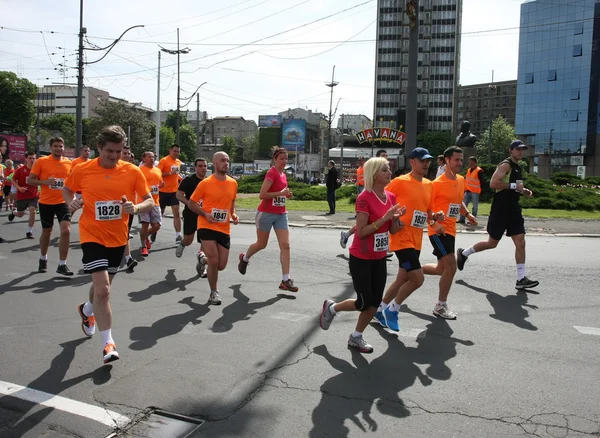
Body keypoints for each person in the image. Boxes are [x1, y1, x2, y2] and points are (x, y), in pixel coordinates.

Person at [64, 125, 153, 364]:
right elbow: (66, 188)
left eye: (118, 151)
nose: (114, 156)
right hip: (92, 235)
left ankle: (87, 310)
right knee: (103, 290)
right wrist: (72, 203)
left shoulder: (132, 171)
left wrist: (134, 208)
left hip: (117, 238)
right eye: (109, 152)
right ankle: (108, 344)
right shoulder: (83, 169)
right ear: (98, 149)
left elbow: (149, 200)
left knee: (102, 289)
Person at [319, 157, 402, 353]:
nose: (389, 173)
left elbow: (394, 231)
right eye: (385, 170)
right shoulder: (364, 198)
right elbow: (362, 231)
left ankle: (356, 337)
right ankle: (332, 308)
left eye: (389, 169)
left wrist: (397, 220)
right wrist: (385, 218)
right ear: (374, 175)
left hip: (379, 257)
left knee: (374, 303)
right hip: (361, 257)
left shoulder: (390, 197)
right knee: (363, 302)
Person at [375, 147, 444, 331]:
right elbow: (382, 198)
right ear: (412, 162)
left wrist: (435, 219)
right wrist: (389, 218)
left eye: (428, 161)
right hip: (400, 237)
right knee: (417, 279)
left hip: (416, 239)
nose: (426, 164)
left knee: (403, 278)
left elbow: (427, 211)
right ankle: (393, 310)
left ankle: (379, 309)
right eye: (422, 160)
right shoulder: (400, 182)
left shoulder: (429, 185)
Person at [457, 140, 538, 290]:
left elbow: (514, 186)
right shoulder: (505, 165)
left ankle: (521, 279)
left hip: (513, 208)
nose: (521, 152)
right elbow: (493, 184)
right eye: (518, 149)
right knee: (492, 243)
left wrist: (524, 190)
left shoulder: (517, 168)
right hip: (501, 208)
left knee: (520, 241)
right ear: (511, 150)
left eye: (523, 150)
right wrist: (514, 186)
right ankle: (464, 253)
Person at [422, 146, 477, 320]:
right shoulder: (435, 184)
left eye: (461, 160)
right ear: (447, 160)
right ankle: (440, 306)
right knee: (451, 267)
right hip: (438, 231)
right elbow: (424, 208)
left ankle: (412, 272)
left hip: (451, 229)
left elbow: (458, 201)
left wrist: (467, 214)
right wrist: (433, 223)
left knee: (441, 269)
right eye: (456, 160)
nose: (460, 163)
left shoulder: (461, 180)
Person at [238, 146, 298, 292]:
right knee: (261, 244)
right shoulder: (272, 173)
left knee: (286, 245)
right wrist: (280, 193)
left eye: (286, 158)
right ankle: (245, 258)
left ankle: (285, 280)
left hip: (281, 214)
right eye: (281, 158)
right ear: (275, 160)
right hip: (266, 214)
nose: (284, 161)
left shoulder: (283, 174)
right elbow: (262, 195)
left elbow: (281, 193)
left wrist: (286, 195)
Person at [187, 152, 239, 305]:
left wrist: (233, 214)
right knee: (214, 260)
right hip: (206, 224)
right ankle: (213, 292)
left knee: (221, 265)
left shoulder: (233, 183)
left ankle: (202, 259)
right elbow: (192, 203)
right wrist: (205, 213)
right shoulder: (205, 183)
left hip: (224, 228)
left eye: (228, 160)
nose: (226, 163)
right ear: (215, 164)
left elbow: (232, 201)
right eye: (223, 160)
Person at [28, 137, 74, 275]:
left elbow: (72, 182)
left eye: (60, 146)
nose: (58, 148)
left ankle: (62, 264)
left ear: (64, 148)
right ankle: (43, 258)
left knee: (66, 231)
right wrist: (45, 182)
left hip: (63, 202)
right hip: (46, 202)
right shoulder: (42, 161)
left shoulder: (68, 163)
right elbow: (30, 180)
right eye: (55, 146)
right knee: (47, 231)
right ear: (50, 148)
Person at [339, 149, 388, 248]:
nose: (386, 157)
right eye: (383, 155)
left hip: (368, 190)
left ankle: (347, 234)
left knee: (374, 221)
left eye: (387, 156)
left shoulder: (384, 170)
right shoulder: (370, 168)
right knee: (368, 222)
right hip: (367, 190)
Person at [175, 157, 208, 271]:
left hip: (204, 215)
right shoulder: (189, 180)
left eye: (205, 166)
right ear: (195, 167)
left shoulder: (208, 181)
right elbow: (179, 195)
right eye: (200, 166)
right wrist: (190, 203)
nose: (203, 168)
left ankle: (201, 263)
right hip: (190, 214)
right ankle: (182, 244)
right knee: (189, 240)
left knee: (205, 240)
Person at [138, 151, 164, 256]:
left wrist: (161, 185)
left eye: (153, 157)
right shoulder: (139, 170)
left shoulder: (158, 170)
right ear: (144, 159)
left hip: (155, 202)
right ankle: (143, 246)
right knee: (145, 224)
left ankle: (145, 236)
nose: (152, 158)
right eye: (149, 157)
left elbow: (160, 183)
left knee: (156, 226)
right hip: (143, 202)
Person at [8, 153, 38, 238]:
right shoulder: (20, 170)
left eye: (34, 158)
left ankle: (29, 231)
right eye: (30, 158)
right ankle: (14, 213)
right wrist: (19, 188)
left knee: (33, 211)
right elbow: (13, 180)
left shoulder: (37, 170)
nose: (32, 160)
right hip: (22, 195)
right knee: (20, 214)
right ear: (26, 159)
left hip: (33, 195)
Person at [157, 144, 183, 242]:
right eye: (175, 151)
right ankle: (155, 230)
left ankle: (178, 235)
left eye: (178, 151)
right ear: (170, 150)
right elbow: (158, 174)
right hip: (163, 191)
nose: (176, 153)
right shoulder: (164, 160)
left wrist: (180, 178)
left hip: (174, 192)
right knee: (160, 214)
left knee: (176, 213)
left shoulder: (178, 162)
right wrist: (168, 174)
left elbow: (176, 175)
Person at [120, 145, 138, 271]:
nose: (126, 155)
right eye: (124, 153)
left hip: (128, 207)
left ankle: (128, 258)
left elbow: (145, 192)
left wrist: (138, 206)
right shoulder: (109, 168)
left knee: (125, 232)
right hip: (112, 206)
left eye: (128, 153)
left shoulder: (134, 170)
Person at [458, 156, 485, 223]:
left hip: (475, 191)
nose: (469, 163)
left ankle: (473, 220)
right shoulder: (469, 170)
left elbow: (482, 181)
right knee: (464, 204)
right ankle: (462, 219)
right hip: (468, 190)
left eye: (471, 161)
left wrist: (480, 189)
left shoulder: (479, 171)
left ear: (474, 162)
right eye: (469, 161)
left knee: (474, 206)